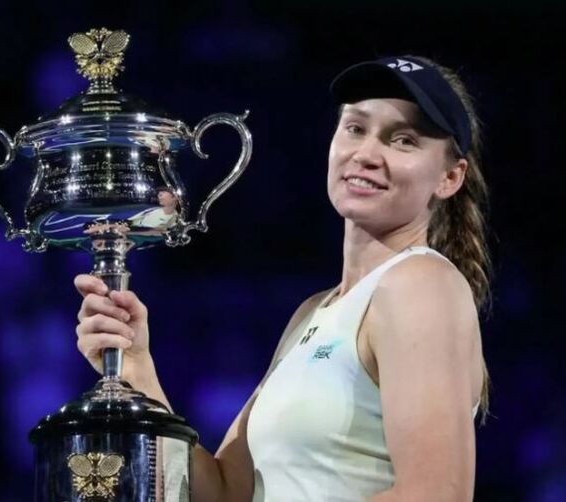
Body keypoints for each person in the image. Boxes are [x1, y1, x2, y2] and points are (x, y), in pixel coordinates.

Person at [74, 55, 491, 501]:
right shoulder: (312, 314)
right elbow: (225, 491)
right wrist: (139, 368)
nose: (366, 154)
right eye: (355, 128)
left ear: (449, 177)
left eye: (403, 140)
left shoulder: (421, 284)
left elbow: (436, 494)